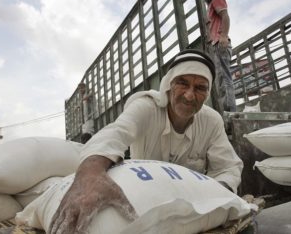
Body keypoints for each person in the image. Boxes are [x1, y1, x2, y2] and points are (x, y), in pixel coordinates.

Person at [50, 49, 244, 233]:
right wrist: (90, 174)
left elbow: (227, 168)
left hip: (191, 206)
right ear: (169, 84)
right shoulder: (147, 108)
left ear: (207, 94)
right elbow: (115, 134)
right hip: (147, 200)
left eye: (200, 88)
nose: (189, 95)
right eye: (182, 83)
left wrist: (215, 197)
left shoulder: (211, 121)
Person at [203, 0, 236, 113]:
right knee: (219, 82)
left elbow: (225, 16)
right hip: (215, 45)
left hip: (219, 43)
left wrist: (223, 35)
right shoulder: (209, 7)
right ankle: (225, 112)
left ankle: (230, 114)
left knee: (224, 80)